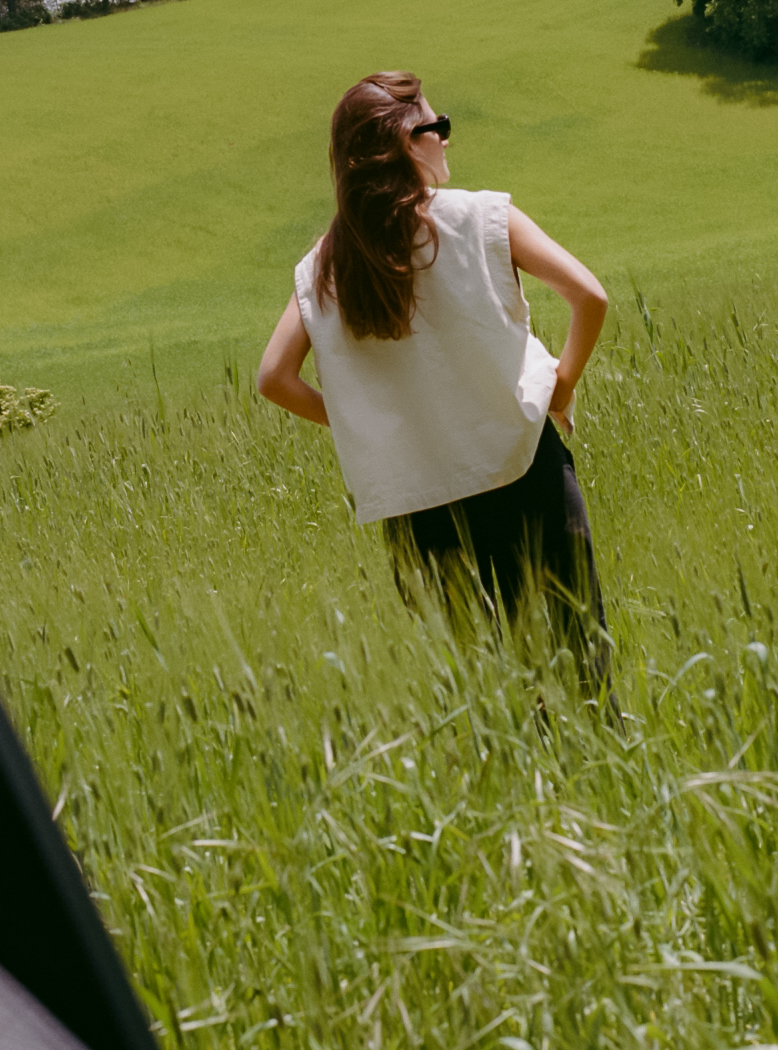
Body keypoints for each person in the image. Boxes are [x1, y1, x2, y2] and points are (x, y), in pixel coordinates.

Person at [256, 70, 611, 696]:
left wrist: (367, 420)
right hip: (524, 472)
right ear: (404, 141)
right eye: (436, 126)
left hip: (421, 509)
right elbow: (589, 296)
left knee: (489, 700)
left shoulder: (327, 262)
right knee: (581, 674)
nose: (447, 139)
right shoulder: (481, 216)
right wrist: (562, 383)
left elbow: (274, 379)